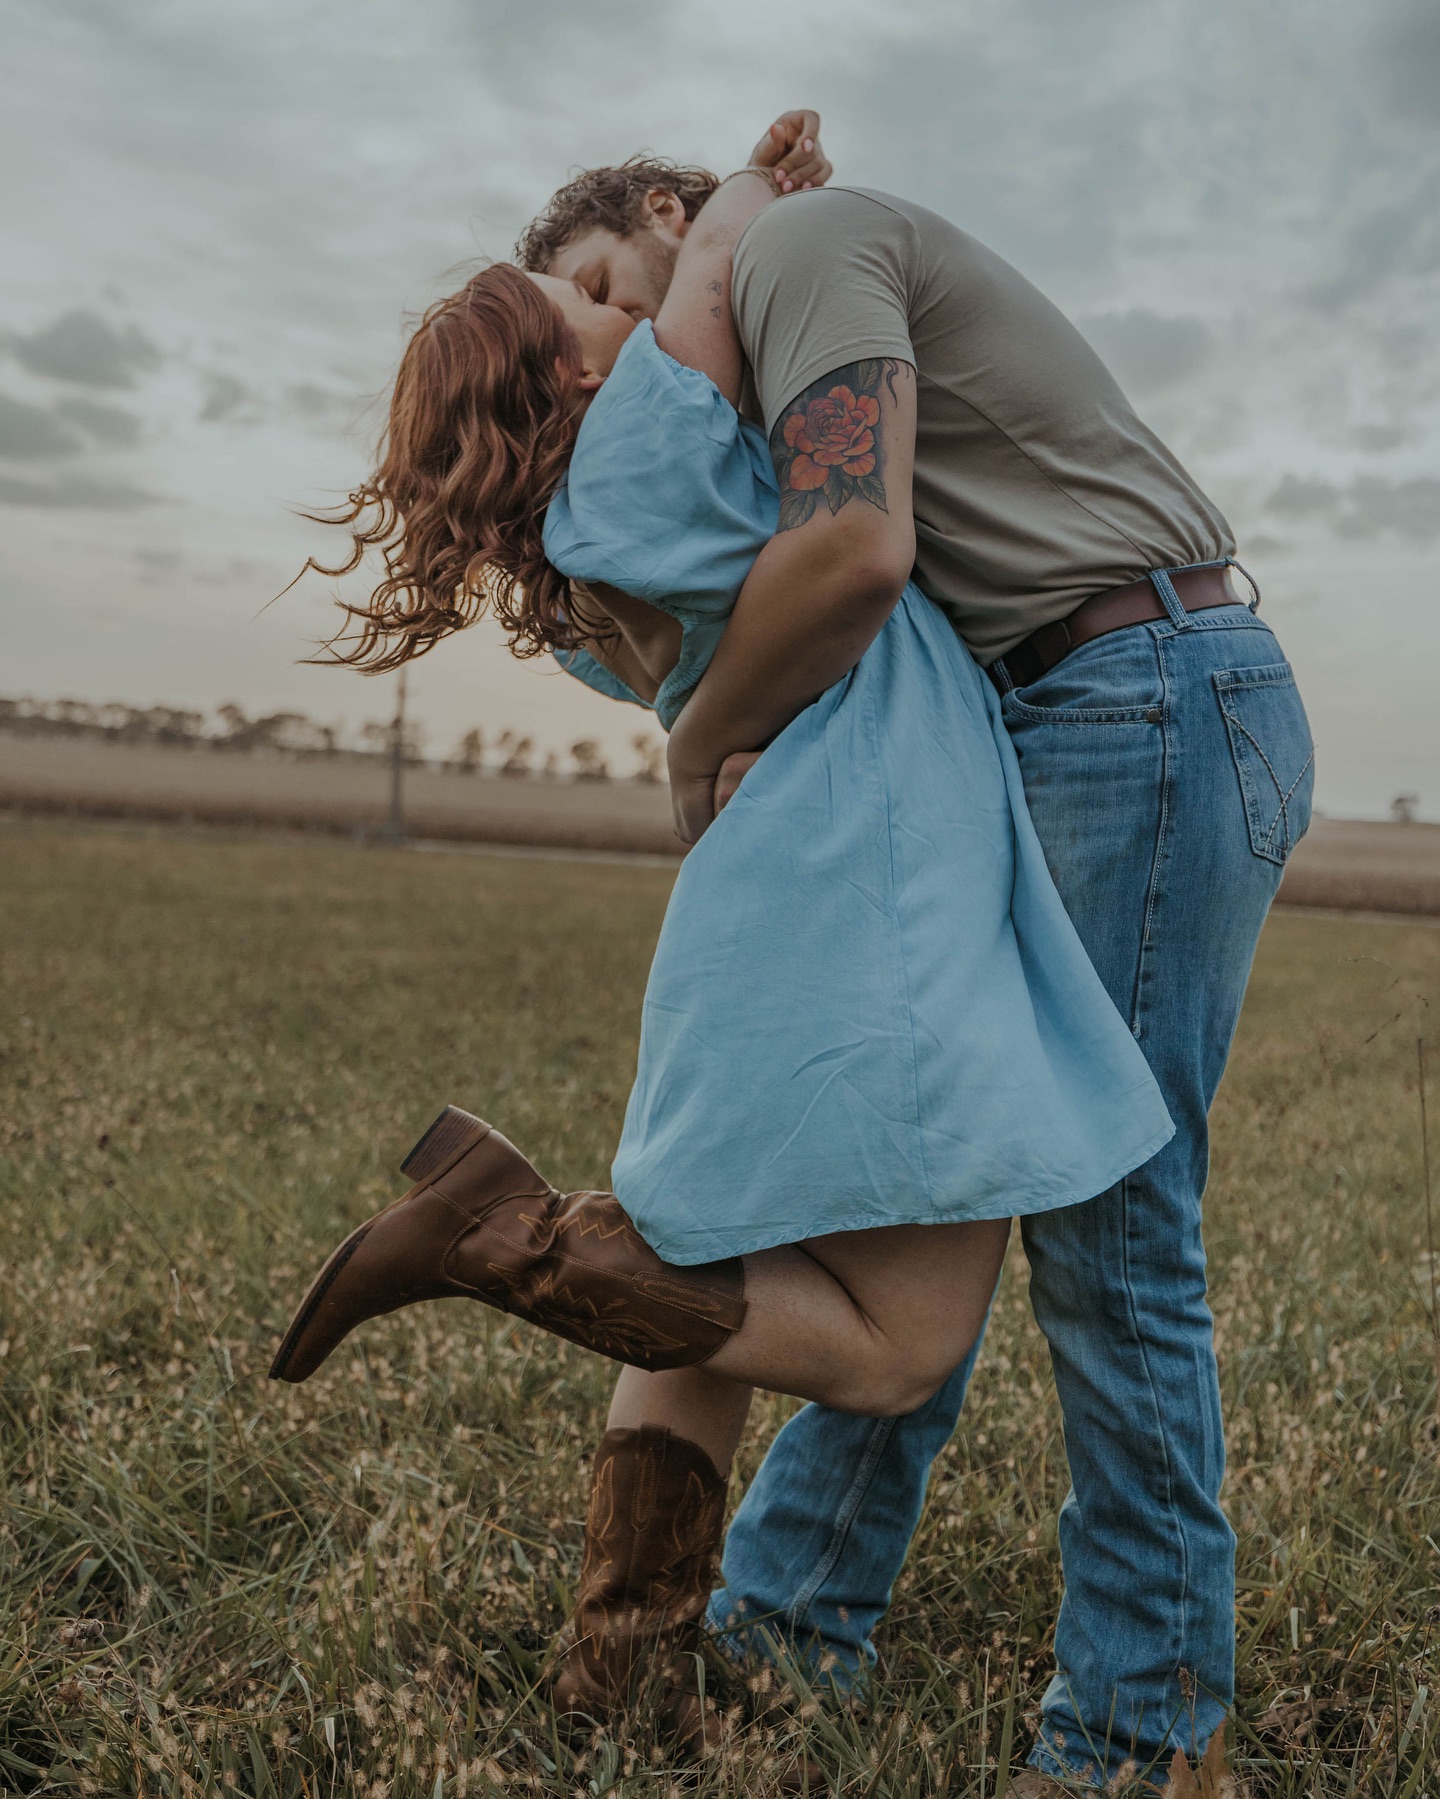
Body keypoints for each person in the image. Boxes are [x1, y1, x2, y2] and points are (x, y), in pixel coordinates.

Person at [269, 113, 1181, 1766]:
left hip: (763, 892)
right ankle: (502, 1239)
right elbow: (742, 314)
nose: (621, 338)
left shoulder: (585, 558)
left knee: (699, 1254)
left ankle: (619, 1683)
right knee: (899, 1351)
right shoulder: (662, 417)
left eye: (615, 294)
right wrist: (756, 192)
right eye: (581, 317)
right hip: (874, 881)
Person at [514, 153, 1317, 1789]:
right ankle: (788, 1632)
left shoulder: (806, 246)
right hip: (1046, 718)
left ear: (679, 227)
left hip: (1139, 690)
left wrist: (707, 744)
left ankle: (1141, 1739)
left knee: (1113, 1236)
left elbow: (861, 551)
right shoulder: (717, 409)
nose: (599, 342)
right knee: (920, 1183)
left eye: (608, 287)